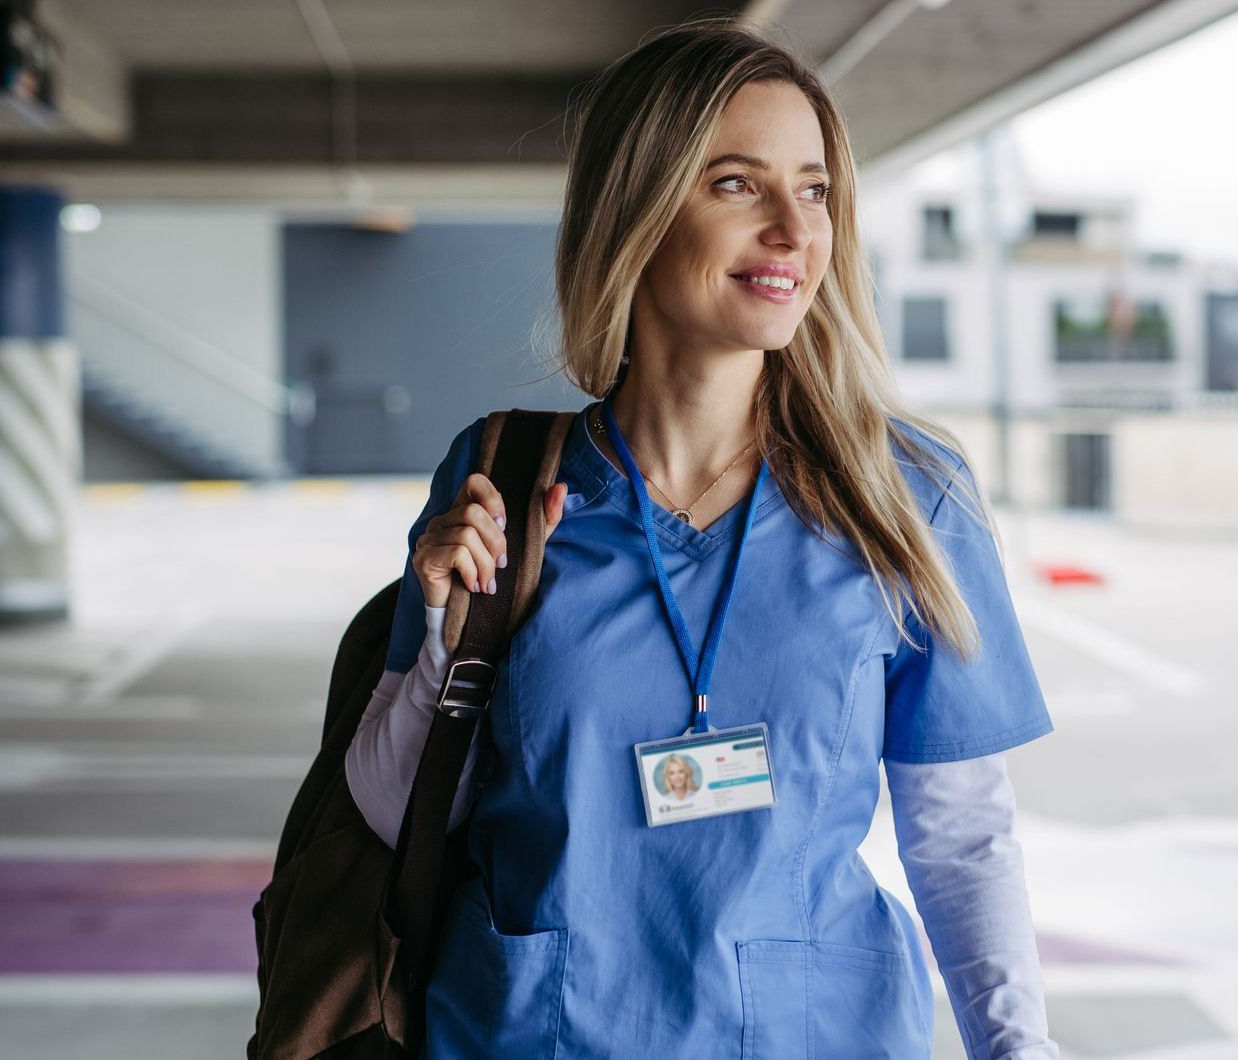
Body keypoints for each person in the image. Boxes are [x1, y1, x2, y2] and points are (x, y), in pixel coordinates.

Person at [344, 17, 1059, 1059]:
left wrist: (1018, 1046)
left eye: (813, 189)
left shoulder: (907, 494)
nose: (792, 230)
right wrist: (447, 647)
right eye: (736, 184)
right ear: (635, 208)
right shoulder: (503, 475)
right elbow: (385, 809)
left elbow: (960, 835)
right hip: (541, 1033)